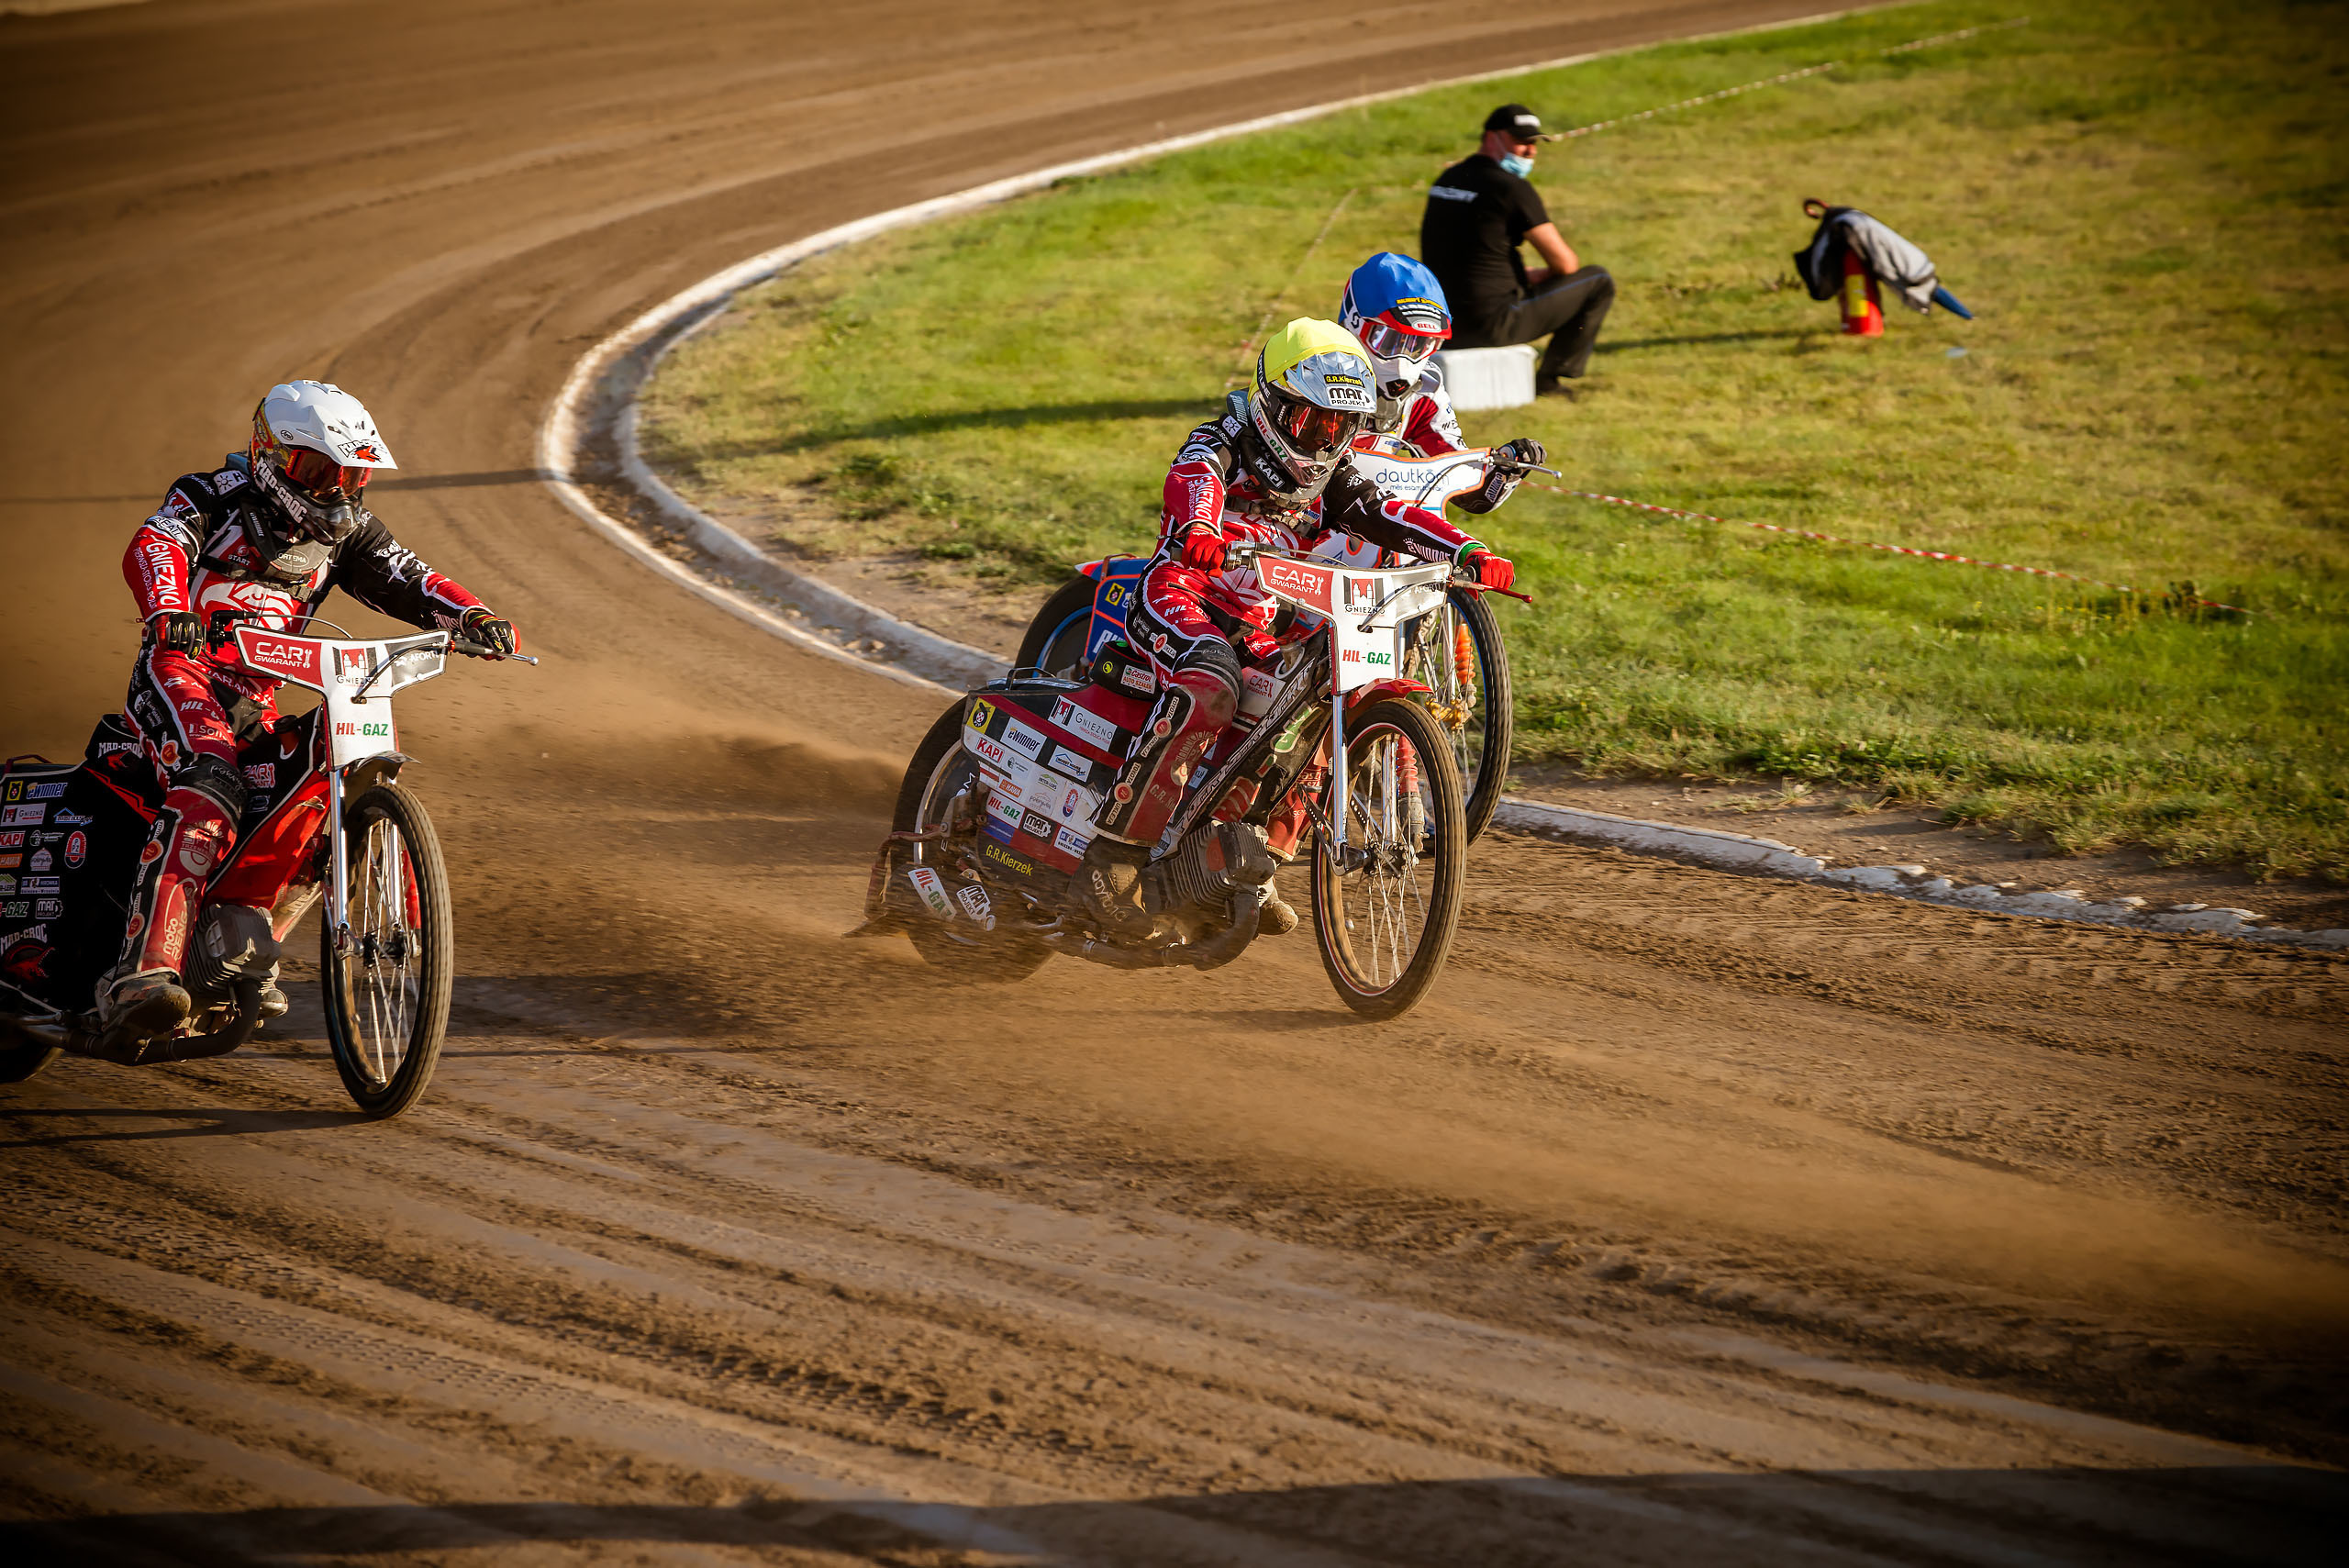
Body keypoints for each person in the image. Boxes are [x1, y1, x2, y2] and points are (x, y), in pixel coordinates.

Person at [101, 380, 517, 1042]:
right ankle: (142, 974)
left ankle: (242, 947)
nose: (337, 491)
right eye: (320, 472)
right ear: (270, 456)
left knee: (318, 789)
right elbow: (155, 545)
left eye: (351, 476)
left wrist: (472, 614)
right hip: (180, 675)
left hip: (257, 702)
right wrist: (169, 608)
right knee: (210, 782)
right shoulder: (210, 496)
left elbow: (408, 577)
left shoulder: (349, 534)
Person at [1074, 319, 1514, 936]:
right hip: (1181, 595)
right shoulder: (1222, 439)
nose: (1327, 438)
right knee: (1211, 686)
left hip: (1261, 620)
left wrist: (1465, 549)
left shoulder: (1334, 473)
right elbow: (1195, 480)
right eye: (1315, 422)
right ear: (1275, 407)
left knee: (1321, 699)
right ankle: (1112, 859)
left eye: (1343, 426)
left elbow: (1385, 512)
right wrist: (1200, 529)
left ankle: (1243, 860)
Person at [1419, 104, 1613, 395]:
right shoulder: (1510, 188)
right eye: (1521, 141)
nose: (1530, 150)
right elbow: (1565, 264)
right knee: (1598, 281)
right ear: (1491, 137)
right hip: (1492, 324)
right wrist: (1539, 275)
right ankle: (1550, 379)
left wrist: (1521, 276)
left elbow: (1465, 252)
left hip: (1440, 323)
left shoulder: (1446, 181)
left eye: (1534, 143)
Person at [1336, 250, 1546, 512]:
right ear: (1355, 324)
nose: (1403, 361)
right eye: (1389, 341)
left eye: (1419, 345)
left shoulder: (1423, 394)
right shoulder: (1310, 373)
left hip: (1364, 519)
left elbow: (1467, 487)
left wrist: (1506, 468)